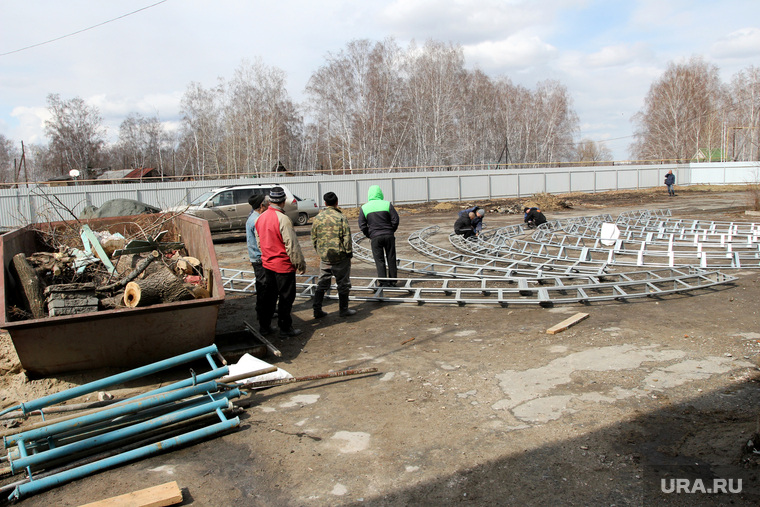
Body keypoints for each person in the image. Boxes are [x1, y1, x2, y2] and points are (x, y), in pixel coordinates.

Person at [255, 186, 307, 337]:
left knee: (269, 297)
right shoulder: (283, 219)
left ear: (270, 201)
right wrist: (300, 264)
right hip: (283, 266)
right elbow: (292, 246)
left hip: (267, 265)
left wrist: (267, 254)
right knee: (286, 298)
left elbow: (260, 242)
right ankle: (285, 328)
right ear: (284, 201)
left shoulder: (260, 218)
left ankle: (265, 327)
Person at [310, 192, 356, 318]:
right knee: (343, 283)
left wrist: (320, 252)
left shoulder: (318, 218)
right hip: (340, 257)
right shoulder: (340, 217)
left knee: (322, 282)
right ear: (337, 202)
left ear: (325, 203)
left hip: (325, 257)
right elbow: (347, 237)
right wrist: (348, 253)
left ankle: (317, 310)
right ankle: (343, 309)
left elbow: (314, 237)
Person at [358, 185, 399, 287]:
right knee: (391, 257)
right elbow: (395, 219)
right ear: (380, 193)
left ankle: (383, 282)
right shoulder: (387, 204)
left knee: (379, 259)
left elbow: (362, 224)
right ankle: (393, 281)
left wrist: (369, 234)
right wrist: (391, 230)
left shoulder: (365, 207)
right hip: (388, 235)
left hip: (375, 237)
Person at [246, 193, 271, 330]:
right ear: (261, 206)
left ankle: (263, 313)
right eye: (266, 203)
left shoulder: (252, 217)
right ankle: (264, 322)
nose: (268, 205)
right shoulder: (257, 220)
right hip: (260, 259)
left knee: (262, 286)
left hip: (256, 257)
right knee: (264, 288)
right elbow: (261, 242)